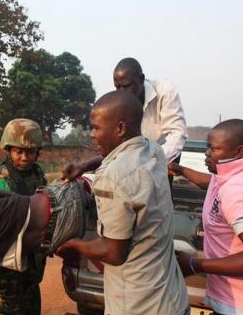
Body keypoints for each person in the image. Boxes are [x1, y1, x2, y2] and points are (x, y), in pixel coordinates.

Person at [56, 91, 189, 315]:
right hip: (171, 299)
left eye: (96, 128)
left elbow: (113, 252)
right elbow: (123, 153)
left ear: (120, 129)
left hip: (138, 305)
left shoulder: (112, 176)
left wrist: (73, 244)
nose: (91, 134)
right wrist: (86, 165)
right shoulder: (154, 150)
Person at [169, 119, 243, 314]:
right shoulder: (229, 175)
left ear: (239, 151)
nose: (207, 153)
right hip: (232, 300)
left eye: (213, 149)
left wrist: (194, 264)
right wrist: (180, 170)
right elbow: (209, 182)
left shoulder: (239, 191)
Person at [62, 58, 188, 183]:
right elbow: (118, 151)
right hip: (133, 165)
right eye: (117, 87)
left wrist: (151, 164)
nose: (122, 92)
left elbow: (177, 135)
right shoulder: (120, 104)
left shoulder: (165, 91)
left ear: (141, 79)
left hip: (163, 160)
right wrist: (84, 166)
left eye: (126, 86)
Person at [0, 118, 47, 315]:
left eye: (29, 152)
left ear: (37, 152)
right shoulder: (1, 181)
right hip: (8, 265)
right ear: (9, 150)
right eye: (18, 151)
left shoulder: (38, 175)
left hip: (31, 263)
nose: (24, 157)